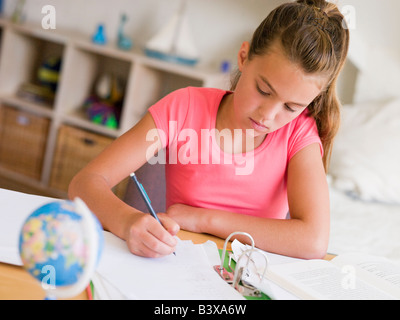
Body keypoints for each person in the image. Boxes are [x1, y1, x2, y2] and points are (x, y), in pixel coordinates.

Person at [69, 0, 349, 259]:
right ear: (243, 57)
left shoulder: (299, 135)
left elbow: (313, 241)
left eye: (291, 107)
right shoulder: (184, 107)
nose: (268, 115)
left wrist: (204, 219)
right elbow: (85, 183)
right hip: (181, 265)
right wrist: (128, 221)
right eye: (263, 90)